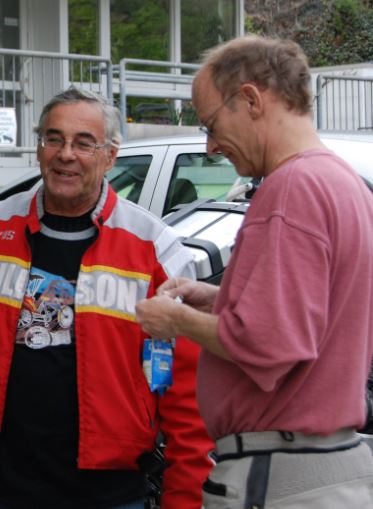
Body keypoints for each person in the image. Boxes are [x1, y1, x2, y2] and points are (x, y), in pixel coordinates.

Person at [0, 87, 214, 509]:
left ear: (110, 156)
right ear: (39, 147)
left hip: (108, 497)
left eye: (84, 143)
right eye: (54, 139)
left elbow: (181, 387)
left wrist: (185, 497)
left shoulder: (156, 250)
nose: (66, 154)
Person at [136, 35, 373, 508]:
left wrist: (177, 320)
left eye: (211, 124)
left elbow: (270, 345)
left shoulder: (290, 189)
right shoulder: (345, 185)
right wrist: (218, 299)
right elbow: (316, 319)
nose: (210, 145)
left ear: (250, 100)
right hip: (324, 466)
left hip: (278, 473)